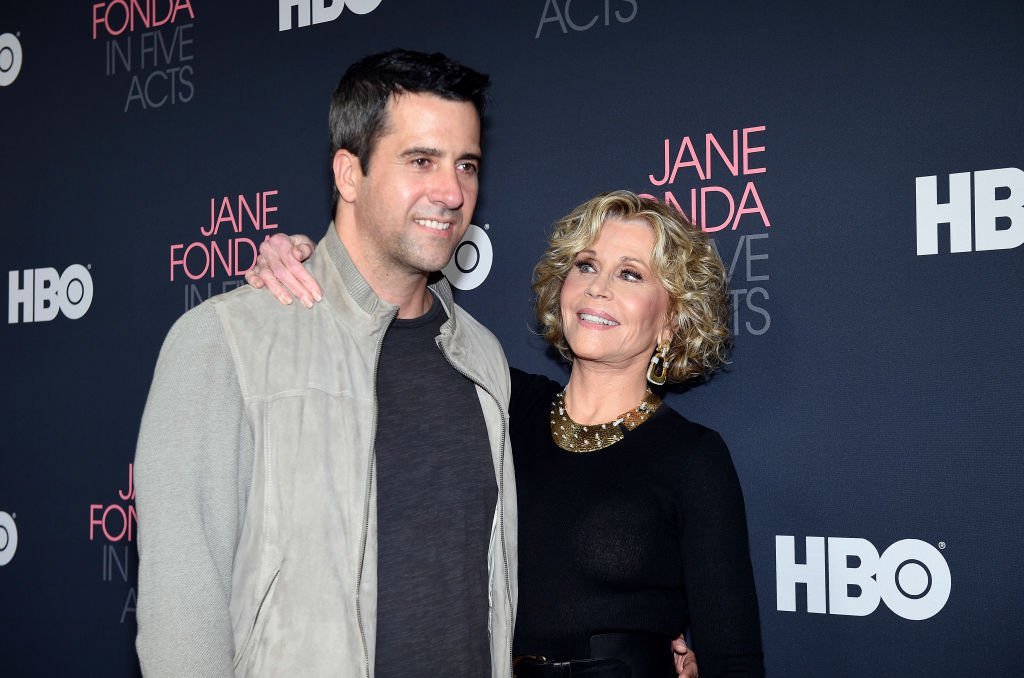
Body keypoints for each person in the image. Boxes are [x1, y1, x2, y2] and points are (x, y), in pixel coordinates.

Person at [250, 191, 764, 676]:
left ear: (671, 320)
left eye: (630, 274)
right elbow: (387, 324)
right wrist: (304, 261)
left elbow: (734, 661)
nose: (598, 287)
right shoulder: (497, 399)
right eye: (586, 265)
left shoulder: (692, 459)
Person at [133, 49, 517, 677]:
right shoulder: (224, 341)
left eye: (466, 165)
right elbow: (183, 619)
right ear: (349, 174)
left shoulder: (482, 357)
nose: (451, 192)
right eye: (421, 160)